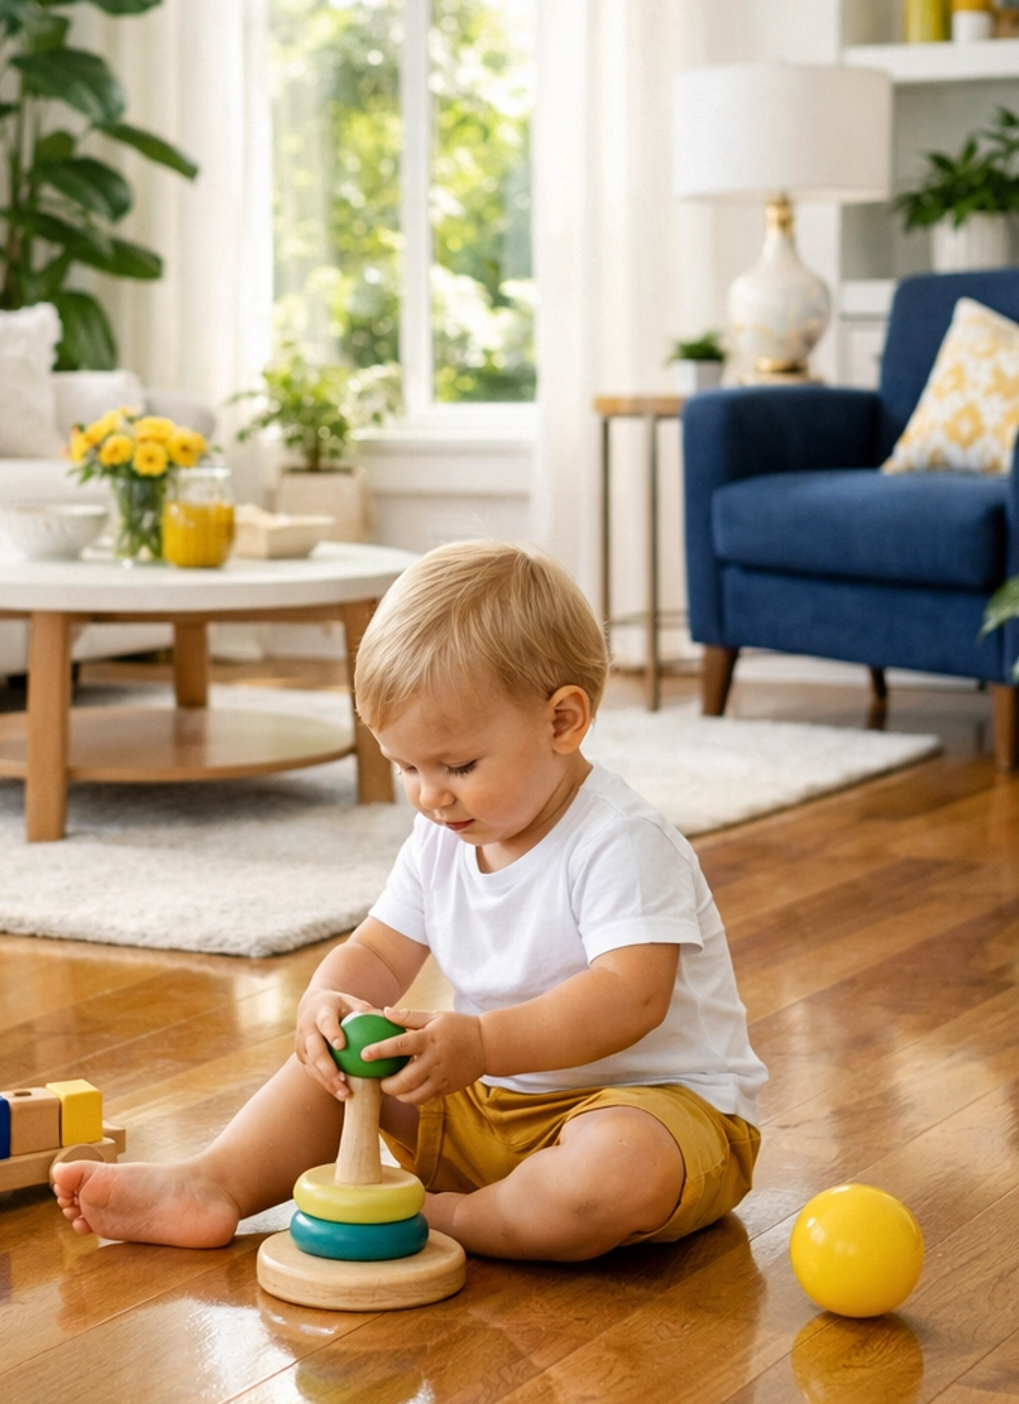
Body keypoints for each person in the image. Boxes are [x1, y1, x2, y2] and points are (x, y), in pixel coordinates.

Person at [52, 540, 766, 1262]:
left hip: (657, 1113)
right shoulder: (443, 837)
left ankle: (444, 1217)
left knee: (612, 1167)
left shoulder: (622, 841)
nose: (430, 795)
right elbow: (377, 951)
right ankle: (214, 1183)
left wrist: (483, 1043)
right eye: (407, 767)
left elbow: (629, 996)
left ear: (562, 722)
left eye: (457, 765)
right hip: (482, 1103)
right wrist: (325, 1002)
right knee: (345, 1053)